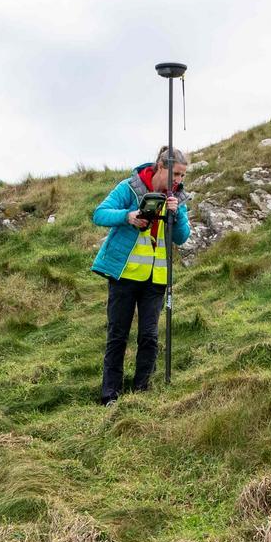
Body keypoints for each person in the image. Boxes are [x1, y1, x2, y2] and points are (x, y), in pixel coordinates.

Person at [89, 146, 192, 403]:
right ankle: (110, 394)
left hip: (156, 279)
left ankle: (141, 391)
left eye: (182, 176)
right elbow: (99, 214)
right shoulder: (130, 187)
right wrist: (128, 216)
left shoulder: (177, 199)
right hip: (124, 275)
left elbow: (182, 237)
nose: (179, 181)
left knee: (149, 336)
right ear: (161, 167)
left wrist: (176, 215)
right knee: (118, 334)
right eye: (176, 174)